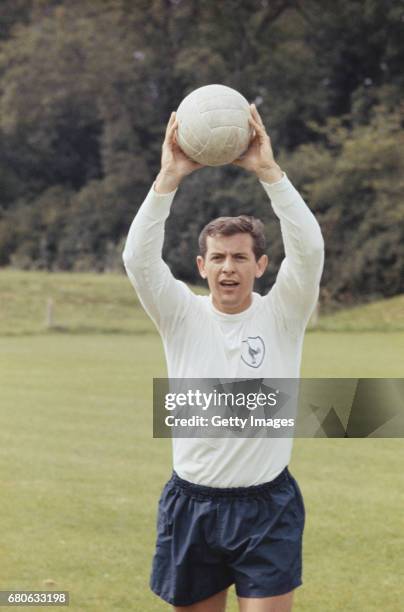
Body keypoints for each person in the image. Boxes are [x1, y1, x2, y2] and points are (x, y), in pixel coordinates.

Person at [122, 104, 324, 612]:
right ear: (201, 265)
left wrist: (270, 174)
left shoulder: (283, 313)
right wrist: (167, 178)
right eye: (217, 257)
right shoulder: (179, 315)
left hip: (268, 506)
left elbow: (311, 252)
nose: (228, 267)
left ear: (260, 264)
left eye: (239, 257)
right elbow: (138, 260)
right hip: (192, 504)